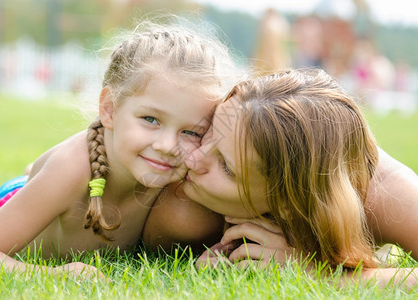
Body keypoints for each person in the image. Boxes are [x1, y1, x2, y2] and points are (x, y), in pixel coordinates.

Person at [0, 20, 237, 276]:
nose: (167, 146)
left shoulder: (175, 174)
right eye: (150, 119)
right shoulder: (71, 169)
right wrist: (57, 275)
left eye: (190, 132)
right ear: (109, 108)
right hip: (6, 207)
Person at [142, 68, 418, 287]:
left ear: (288, 200)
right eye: (210, 130)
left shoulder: (385, 192)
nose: (192, 158)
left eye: (227, 168)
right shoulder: (183, 151)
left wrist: (322, 274)